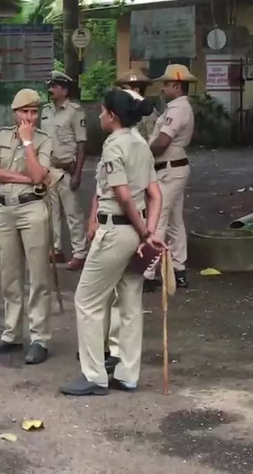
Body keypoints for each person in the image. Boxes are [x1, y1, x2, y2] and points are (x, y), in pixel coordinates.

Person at [60, 88, 162, 397]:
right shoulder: (141, 144)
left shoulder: (114, 145)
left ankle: (94, 376)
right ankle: (127, 374)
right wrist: (149, 233)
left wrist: (144, 232)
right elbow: (155, 194)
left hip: (117, 230)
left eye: (103, 112)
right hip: (136, 232)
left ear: (113, 116)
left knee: (87, 300)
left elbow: (121, 195)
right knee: (129, 300)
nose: (100, 116)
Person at [0, 88, 55, 365]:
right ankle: (12, 334)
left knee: (38, 277)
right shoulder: (1, 135)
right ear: (15, 112)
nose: (29, 117)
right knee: (9, 276)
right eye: (24, 111)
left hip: (32, 209)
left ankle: (40, 338)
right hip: (5, 209)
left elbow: (39, 174)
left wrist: (27, 144)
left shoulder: (43, 140)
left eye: (34, 111)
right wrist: (26, 179)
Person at [145, 64, 197, 291]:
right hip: (173, 167)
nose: (163, 88)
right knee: (175, 221)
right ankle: (178, 268)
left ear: (176, 85)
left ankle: (147, 272)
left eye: (166, 84)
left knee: (158, 219)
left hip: (169, 168)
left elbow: (163, 141)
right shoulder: (177, 107)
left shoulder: (177, 108)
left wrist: (142, 153)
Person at [40, 70, 89, 271]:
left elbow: (82, 143)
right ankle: (57, 249)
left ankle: (80, 252)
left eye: (55, 86)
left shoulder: (74, 112)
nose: (50, 90)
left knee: (72, 214)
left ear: (65, 90)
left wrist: (78, 173)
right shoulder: (46, 111)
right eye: (50, 86)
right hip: (49, 169)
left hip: (67, 169)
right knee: (52, 213)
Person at [115, 68, 159, 140]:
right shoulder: (125, 110)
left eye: (124, 88)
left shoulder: (149, 113)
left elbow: (153, 140)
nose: (121, 92)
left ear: (136, 90)